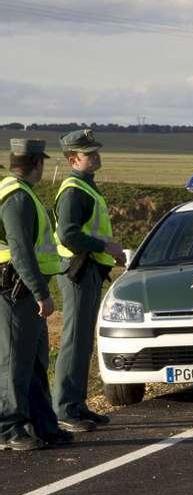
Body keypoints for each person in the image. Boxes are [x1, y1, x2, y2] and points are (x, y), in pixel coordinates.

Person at [0, 139, 71, 450]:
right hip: (16, 289)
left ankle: (42, 424)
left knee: (32, 362)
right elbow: (20, 251)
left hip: (23, 288)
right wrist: (41, 292)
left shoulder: (20, 193)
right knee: (15, 361)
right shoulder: (17, 197)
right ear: (37, 163)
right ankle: (9, 430)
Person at [52, 129, 124, 433]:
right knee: (74, 340)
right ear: (73, 158)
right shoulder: (73, 190)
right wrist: (104, 247)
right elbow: (68, 233)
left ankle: (77, 406)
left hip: (88, 269)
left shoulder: (85, 186)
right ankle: (66, 409)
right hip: (78, 269)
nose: (96, 156)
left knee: (82, 340)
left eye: (96, 151)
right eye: (89, 153)